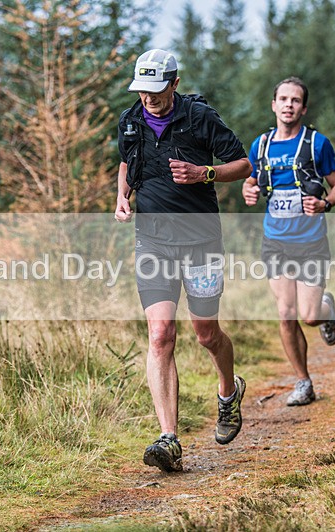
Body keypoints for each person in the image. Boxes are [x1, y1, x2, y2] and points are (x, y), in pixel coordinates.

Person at [114, 49, 253, 472]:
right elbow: (125, 162)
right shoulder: (130, 120)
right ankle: (168, 438)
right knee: (160, 336)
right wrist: (121, 196)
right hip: (153, 242)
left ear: (174, 83)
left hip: (200, 242)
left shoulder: (199, 118)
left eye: (156, 90)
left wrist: (204, 173)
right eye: (142, 91)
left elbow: (244, 165)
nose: (148, 98)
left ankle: (228, 392)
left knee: (207, 334)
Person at [242, 77, 335, 406]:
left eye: (295, 100)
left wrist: (325, 204)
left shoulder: (318, 144)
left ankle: (327, 310)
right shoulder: (260, 145)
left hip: (311, 241)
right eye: (283, 99)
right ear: (274, 105)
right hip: (276, 241)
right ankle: (303, 382)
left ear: (304, 107)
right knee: (286, 314)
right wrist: (248, 190)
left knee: (309, 315)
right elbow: (251, 181)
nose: (289, 104)